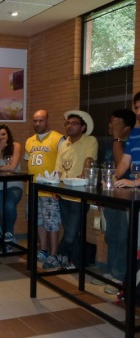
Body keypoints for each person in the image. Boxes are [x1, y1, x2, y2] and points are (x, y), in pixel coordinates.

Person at [91, 108, 136, 293]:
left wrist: (117, 138)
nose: (110, 125)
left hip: (126, 194)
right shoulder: (113, 141)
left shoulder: (127, 141)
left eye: (115, 122)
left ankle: (119, 276)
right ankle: (111, 271)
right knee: (111, 234)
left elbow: (121, 165)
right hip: (112, 192)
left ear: (125, 125)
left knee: (121, 235)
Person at [54, 110, 98, 269]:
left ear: (83, 127)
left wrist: (83, 173)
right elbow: (58, 168)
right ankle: (75, 262)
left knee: (71, 234)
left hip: (80, 195)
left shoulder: (90, 141)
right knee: (73, 232)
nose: (69, 126)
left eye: (74, 123)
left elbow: (90, 159)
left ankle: (59, 253)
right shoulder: (64, 143)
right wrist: (55, 187)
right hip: (64, 192)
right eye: (68, 123)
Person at [25, 109, 65, 269]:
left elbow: (63, 162)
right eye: (35, 120)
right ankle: (44, 249)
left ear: (47, 121)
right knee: (38, 221)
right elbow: (29, 162)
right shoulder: (29, 141)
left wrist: (58, 186)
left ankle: (54, 255)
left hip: (50, 190)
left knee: (52, 223)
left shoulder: (58, 139)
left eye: (40, 120)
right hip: (33, 189)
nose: (37, 124)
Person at [0, 124, 23, 252]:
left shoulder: (16, 146)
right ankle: (7, 243)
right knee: (2, 214)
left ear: (8, 135)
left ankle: (9, 233)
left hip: (14, 184)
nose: (1, 137)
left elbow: (12, 168)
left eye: (3, 134)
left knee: (9, 206)